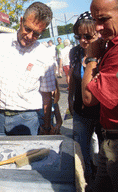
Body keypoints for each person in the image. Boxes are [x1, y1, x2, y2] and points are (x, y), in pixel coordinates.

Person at [0, 2, 56, 136]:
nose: (30, 36)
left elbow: (47, 96)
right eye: (27, 29)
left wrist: (47, 127)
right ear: (21, 21)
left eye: (36, 34)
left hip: (27, 119)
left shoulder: (44, 55)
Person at [82, 0, 118, 191]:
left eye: (104, 19)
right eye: (95, 20)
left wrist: (91, 59)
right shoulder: (111, 46)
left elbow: (88, 97)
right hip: (108, 138)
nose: (98, 27)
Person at [68, 11, 102, 187]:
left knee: (104, 153)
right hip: (81, 111)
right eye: (78, 36)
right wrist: (70, 102)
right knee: (81, 152)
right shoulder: (75, 52)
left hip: (102, 113)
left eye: (87, 36)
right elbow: (73, 79)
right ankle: (87, 183)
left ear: (98, 33)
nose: (83, 40)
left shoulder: (105, 51)